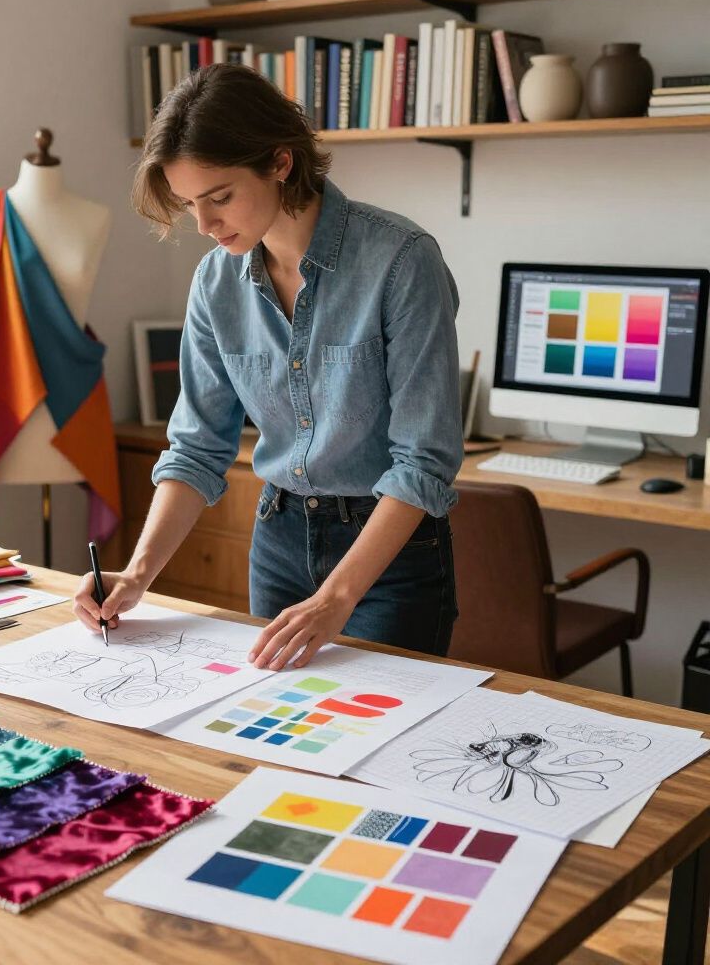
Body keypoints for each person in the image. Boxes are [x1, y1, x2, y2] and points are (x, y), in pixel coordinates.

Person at [73, 63, 462, 670]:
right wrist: (138, 572)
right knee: (271, 738)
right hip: (279, 538)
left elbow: (424, 462)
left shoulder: (401, 261)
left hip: (388, 556)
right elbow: (197, 446)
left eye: (219, 198)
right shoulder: (215, 281)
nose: (203, 226)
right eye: (189, 204)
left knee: (374, 748)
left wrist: (336, 596)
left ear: (281, 163)